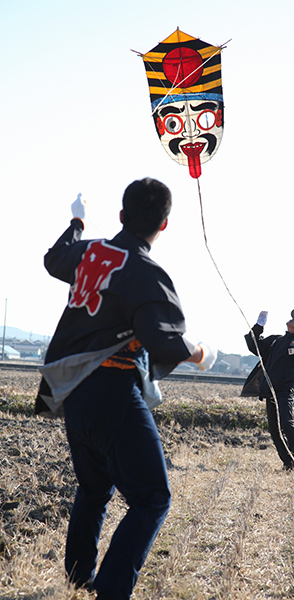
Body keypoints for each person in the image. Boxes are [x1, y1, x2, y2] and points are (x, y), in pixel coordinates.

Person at [34, 178, 217, 600]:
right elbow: (163, 338)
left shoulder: (87, 252)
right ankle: (111, 592)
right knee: (154, 497)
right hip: (112, 391)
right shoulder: (146, 272)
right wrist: (201, 351)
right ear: (164, 225)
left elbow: (53, 258)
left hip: (73, 395)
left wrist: (77, 220)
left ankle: (79, 580)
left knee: (95, 488)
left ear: (120, 216)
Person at [241, 309, 294, 470]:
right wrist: (258, 326)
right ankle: (288, 463)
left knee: (286, 421)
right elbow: (254, 345)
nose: (292, 319)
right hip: (270, 390)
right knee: (275, 429)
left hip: (286, 388)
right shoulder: (275, 341)